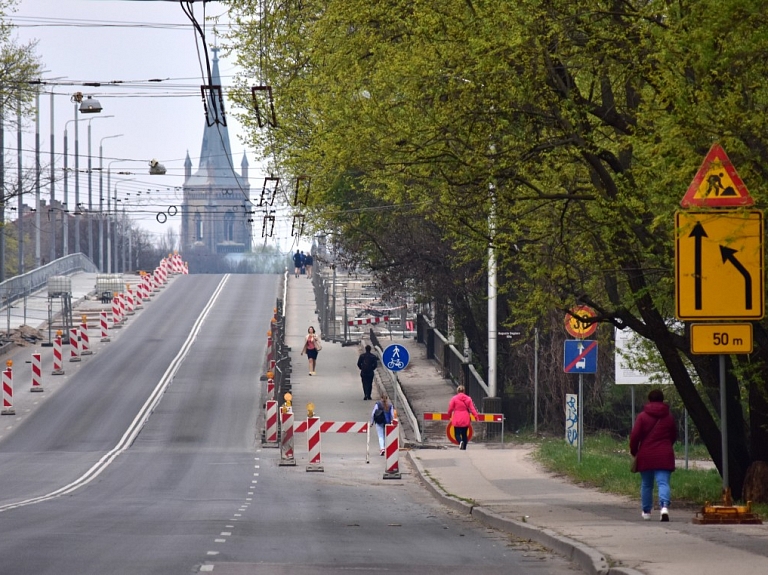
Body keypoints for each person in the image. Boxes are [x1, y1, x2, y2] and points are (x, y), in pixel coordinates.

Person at [629, 388, 677, 522]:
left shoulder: (642, 416)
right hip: (664, 454)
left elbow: (635, 436)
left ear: (649, 400)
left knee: (646, 484)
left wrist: (634, 450)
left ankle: (646, 512)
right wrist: (666, 446)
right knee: (663, 483)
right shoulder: (669, 417)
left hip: (646, 454)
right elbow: (673, 435)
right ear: (662, 400)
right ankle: (664, 508)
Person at [447, 385, 479, 450]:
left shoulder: (454, 399)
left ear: (457, 391)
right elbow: (472, 409)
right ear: (464, 391)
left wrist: (449, 415)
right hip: (465, 418)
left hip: (457, 418)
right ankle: (464, 448)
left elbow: (450, 408)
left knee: (457, 434)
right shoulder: (468, 399)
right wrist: (476, 416)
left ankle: (460, 441)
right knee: (464, 434)